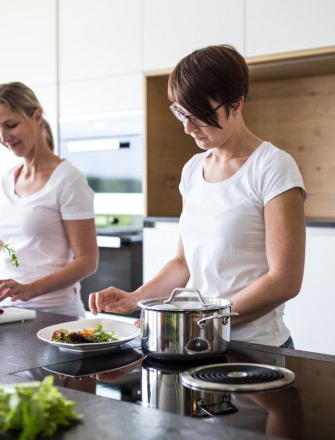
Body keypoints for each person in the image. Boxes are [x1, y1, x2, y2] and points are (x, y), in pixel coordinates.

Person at [89, 45, 306, 347]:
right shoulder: (193, 170)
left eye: (200, 115)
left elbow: (284, 280)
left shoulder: (272, 166)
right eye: (180, 113)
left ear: (237, 103)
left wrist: (203, 322)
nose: (188, 128)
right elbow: (182, 263)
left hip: (256, 348)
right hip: (198, 343)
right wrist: (136, 298)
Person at [0, 82, 98, 319]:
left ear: (36, 116)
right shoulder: (9, 178)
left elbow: (87, 261)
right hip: (9, 310)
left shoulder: (68, 181)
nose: (4, 137)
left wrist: (32, 289)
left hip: (55, 314)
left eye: (10, 125)